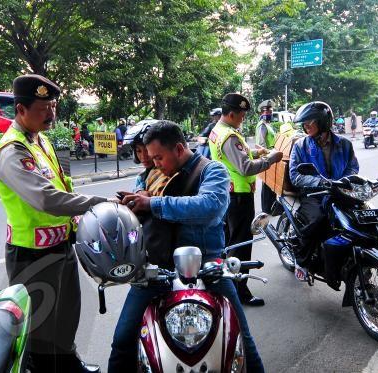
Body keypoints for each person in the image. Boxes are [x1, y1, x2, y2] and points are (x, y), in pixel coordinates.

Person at [111, 122, 265, 372]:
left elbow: (210, 207)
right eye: (151, 158)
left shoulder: (212, 171)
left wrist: (153, 204)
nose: (155, 163)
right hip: (156, 270)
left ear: (179, 148)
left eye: (159, 157)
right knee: (122, 341)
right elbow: (138, 210)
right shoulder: (148, 174)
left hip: (207, 267)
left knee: (241, 338)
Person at [0, 74, 109, 373]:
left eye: (53, 106)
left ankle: (68, 363)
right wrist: (95, 203)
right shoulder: (11, 152)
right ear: (21, 110)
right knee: (40, 326)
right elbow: (45, 199)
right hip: (31, 253)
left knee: (66, 313)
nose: (51, 114)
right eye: (44, 108)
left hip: (60, 244)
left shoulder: (40, 140)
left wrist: (78, 218)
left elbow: (61, 185)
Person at [208, 93, 283, 306]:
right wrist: (270, 159)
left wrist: (257, 151)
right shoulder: (230, 136)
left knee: (230, 243)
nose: (243, 119)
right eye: (241, 115)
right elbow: (245, 167)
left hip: (228, 195)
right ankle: (240, 292)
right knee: (241, 245)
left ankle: (227, 286)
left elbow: (236, 156)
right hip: (239, 197)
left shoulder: (219, 130)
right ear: (231, 114)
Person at [288, 101, 359, 290]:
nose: (306, 126)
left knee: (357, 219)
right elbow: (295, 175)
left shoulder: (344, 144)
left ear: (322, 121)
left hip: (338, 192)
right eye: (304, 123)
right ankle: (301, 260)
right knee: (318, 219)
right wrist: (320, 183)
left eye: (310, 122)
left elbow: (353, 167)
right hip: (314, 194)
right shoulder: (301, 146)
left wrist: (344, 181)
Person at [255, 99, 278, 214]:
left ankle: (270, 207)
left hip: (271, 155)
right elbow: (260, 144)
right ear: (261, 113)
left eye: (270, 111)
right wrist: (269, 154)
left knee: (271, 182)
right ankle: (267, 208)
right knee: (267, 183)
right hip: (267, 155)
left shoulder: (268, 125)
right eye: (266, 111)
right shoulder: (262, 126)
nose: (269, 113)